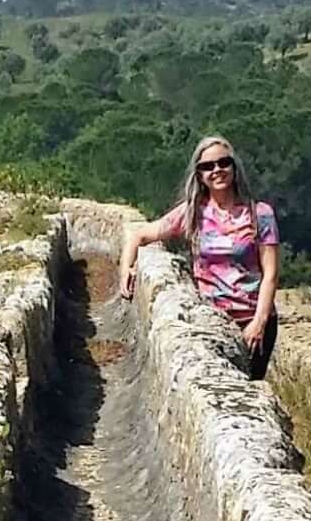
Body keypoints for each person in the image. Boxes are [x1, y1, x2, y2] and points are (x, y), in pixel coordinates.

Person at [120, 134, 282, 373]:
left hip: (252, 321)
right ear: (200, 175)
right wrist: (126, 270)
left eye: (223, 163)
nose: (217, 170)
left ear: (235, 167)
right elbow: (140, 236)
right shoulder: (193, 213)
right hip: (211, 321)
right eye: (208, 166)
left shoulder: (260, 214)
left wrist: (259, 322)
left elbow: (271, 273)